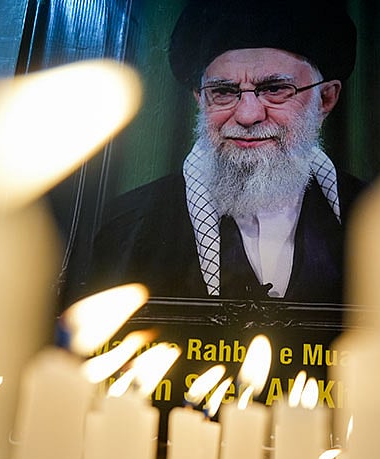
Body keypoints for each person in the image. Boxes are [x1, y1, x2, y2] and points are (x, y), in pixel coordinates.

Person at [81, 0, 365, 304]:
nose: (247, 115)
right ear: (201, 101)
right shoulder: (127, 227)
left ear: (325, 99)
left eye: (275, 89)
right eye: (224, 92)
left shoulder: (376, 217)